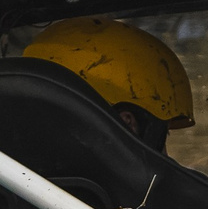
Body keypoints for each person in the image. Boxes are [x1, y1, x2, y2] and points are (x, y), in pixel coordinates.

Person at [21, 16, 196, 150]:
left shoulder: (13, 177)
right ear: (128, 123)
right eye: (162, 137)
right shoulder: (146, 188)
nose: (165, 155)